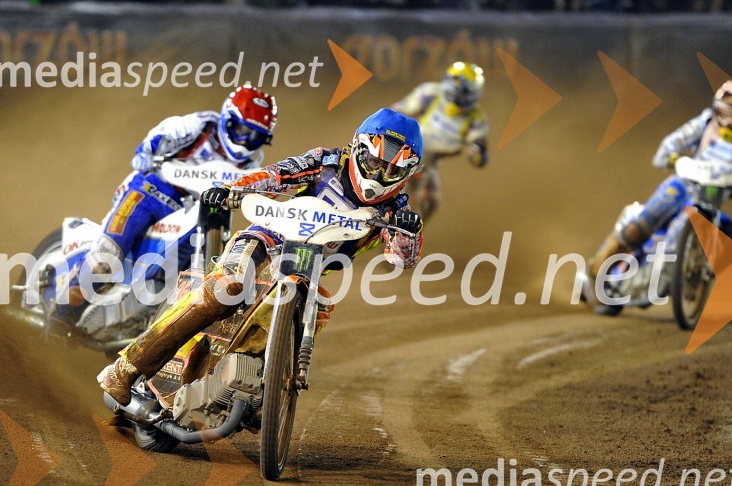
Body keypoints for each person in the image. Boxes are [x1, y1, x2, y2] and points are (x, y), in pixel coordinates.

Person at [98, 108, 425, 406]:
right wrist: (231, 190)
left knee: (319, 309)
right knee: (226, 288)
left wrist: (409, 233)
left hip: (306, 273)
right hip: (263, 241)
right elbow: (275, 175)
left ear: (407, 172)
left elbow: (402, 259)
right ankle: (126, 368)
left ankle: (254, 391)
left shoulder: (397, 210)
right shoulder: (326, 162)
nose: (379, 175)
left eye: (392, 170)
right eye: (375, 163)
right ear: (358, 148)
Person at [74, 83, 278, 305]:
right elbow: (159, 137)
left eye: (255, 137)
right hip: (153, 190)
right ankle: (65, 309)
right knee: (108, 256)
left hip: (197, 210)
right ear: (227, 119)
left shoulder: (252, 166)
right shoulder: (199, 126)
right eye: (241, 130)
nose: (245, 141)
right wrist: (146, 153)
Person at [586, 80, 732, 282]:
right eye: (725, 114)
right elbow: (676, 140)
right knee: (641, 225)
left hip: (712, 195)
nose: (729, 122)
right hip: (683, 185)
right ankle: (596, 272)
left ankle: (699, 276)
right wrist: (670, 156)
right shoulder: (705, 123)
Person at [390, 61, 489, 222]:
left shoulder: (475, 117)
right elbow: (396, 112)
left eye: (471, 91)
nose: (466, 95)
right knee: (397, 189)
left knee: (432, 203)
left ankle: (408, 230)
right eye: (464, 89)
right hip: (410, 149)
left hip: (432, 160)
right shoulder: (430, 93)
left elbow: (479, 151)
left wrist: (476, 152)